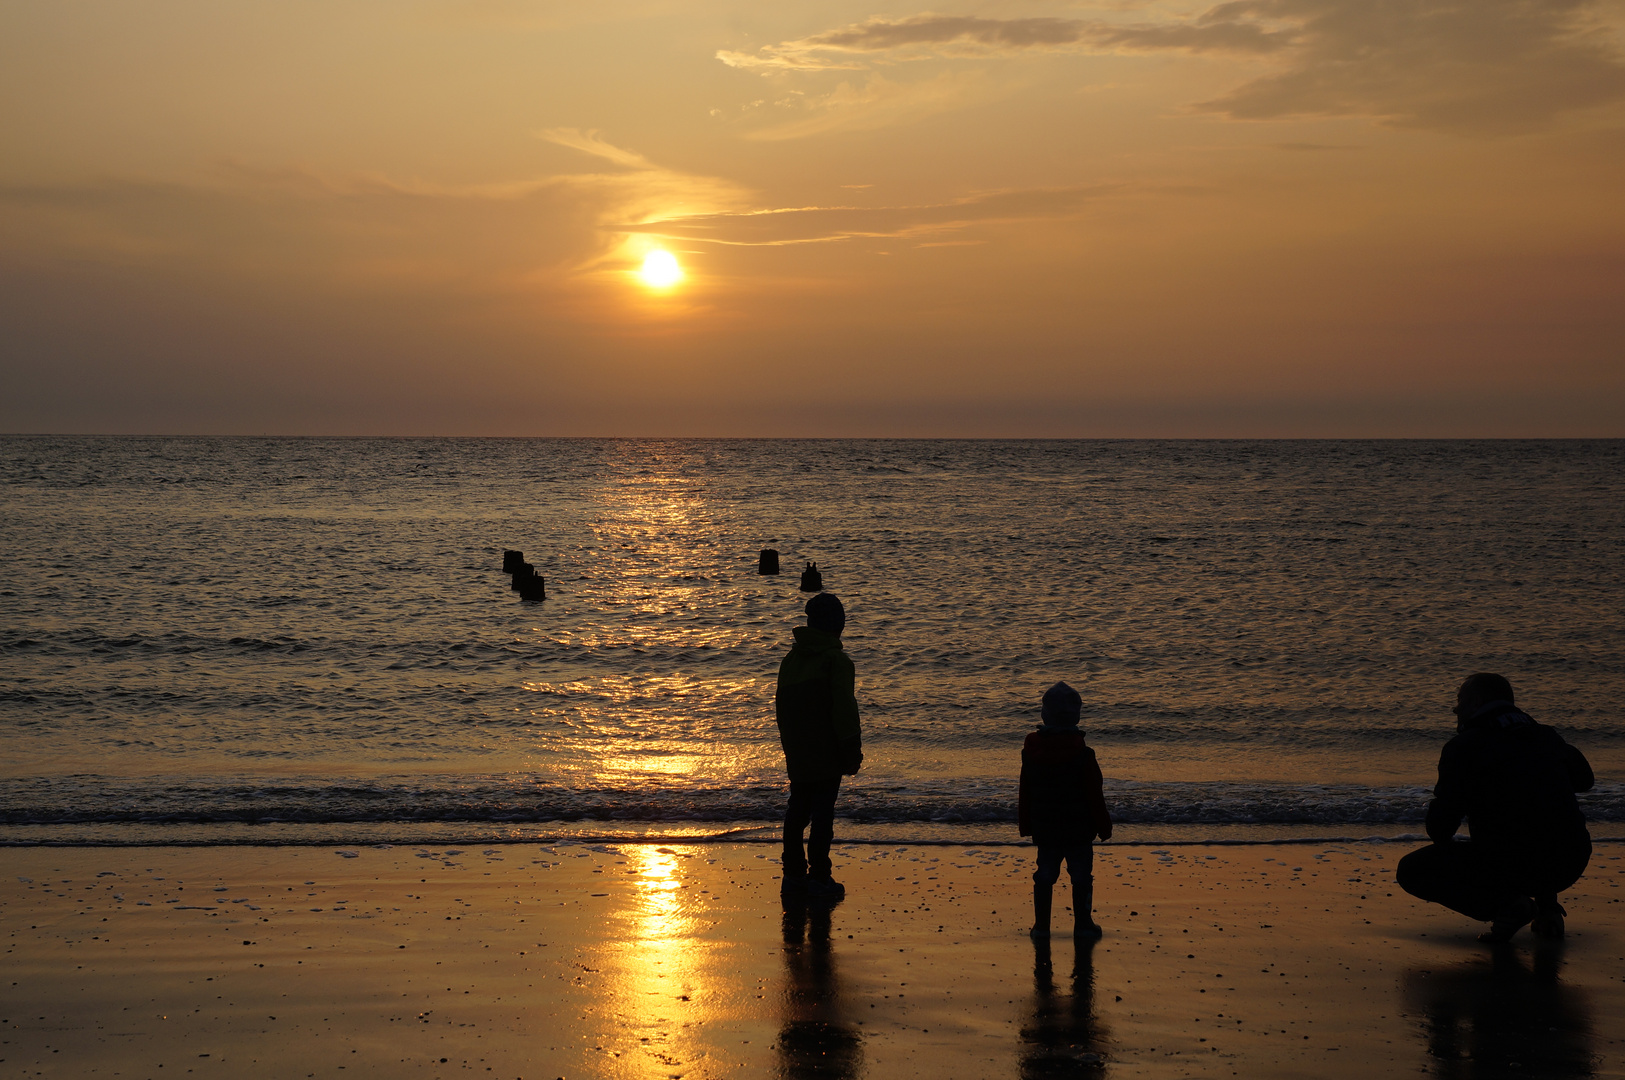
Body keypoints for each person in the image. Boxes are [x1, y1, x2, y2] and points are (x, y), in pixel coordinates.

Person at [1397, 673, 1594, 942]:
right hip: (1572, 859)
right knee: (1542, 816)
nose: (1456, 709)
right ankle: (1547, 910)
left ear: (1476, 702)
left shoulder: (1465, 746)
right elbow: (1585, 780)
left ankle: (1509, 905)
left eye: (1460, 700)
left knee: (1411, 871)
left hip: (1512, 864)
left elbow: (1439, 830)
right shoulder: (1545, 735)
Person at [776, 592, 862, 900]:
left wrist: (790, 745)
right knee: (823, 813)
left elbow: (782, 708)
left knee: (797, 810)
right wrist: (851, 748)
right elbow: (844, 709)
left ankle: (793, 876)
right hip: (827, 751)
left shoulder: (791, 660)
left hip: (797, 749)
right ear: (837, 626)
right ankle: (820, 877)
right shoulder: (836, 661)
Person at [1019, 681, 1113, 939]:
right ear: (1076, 717)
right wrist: (1104, 827)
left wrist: (1026, 825)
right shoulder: (1083, 755)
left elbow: (1025, 792)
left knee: (1045, 874)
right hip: (1078, 828)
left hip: (1046, 826)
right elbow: (1095, 794)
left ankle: (1041, 927)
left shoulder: (1031, 752)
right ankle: (1083, 925)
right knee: (1081, 874)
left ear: (1044, 715)